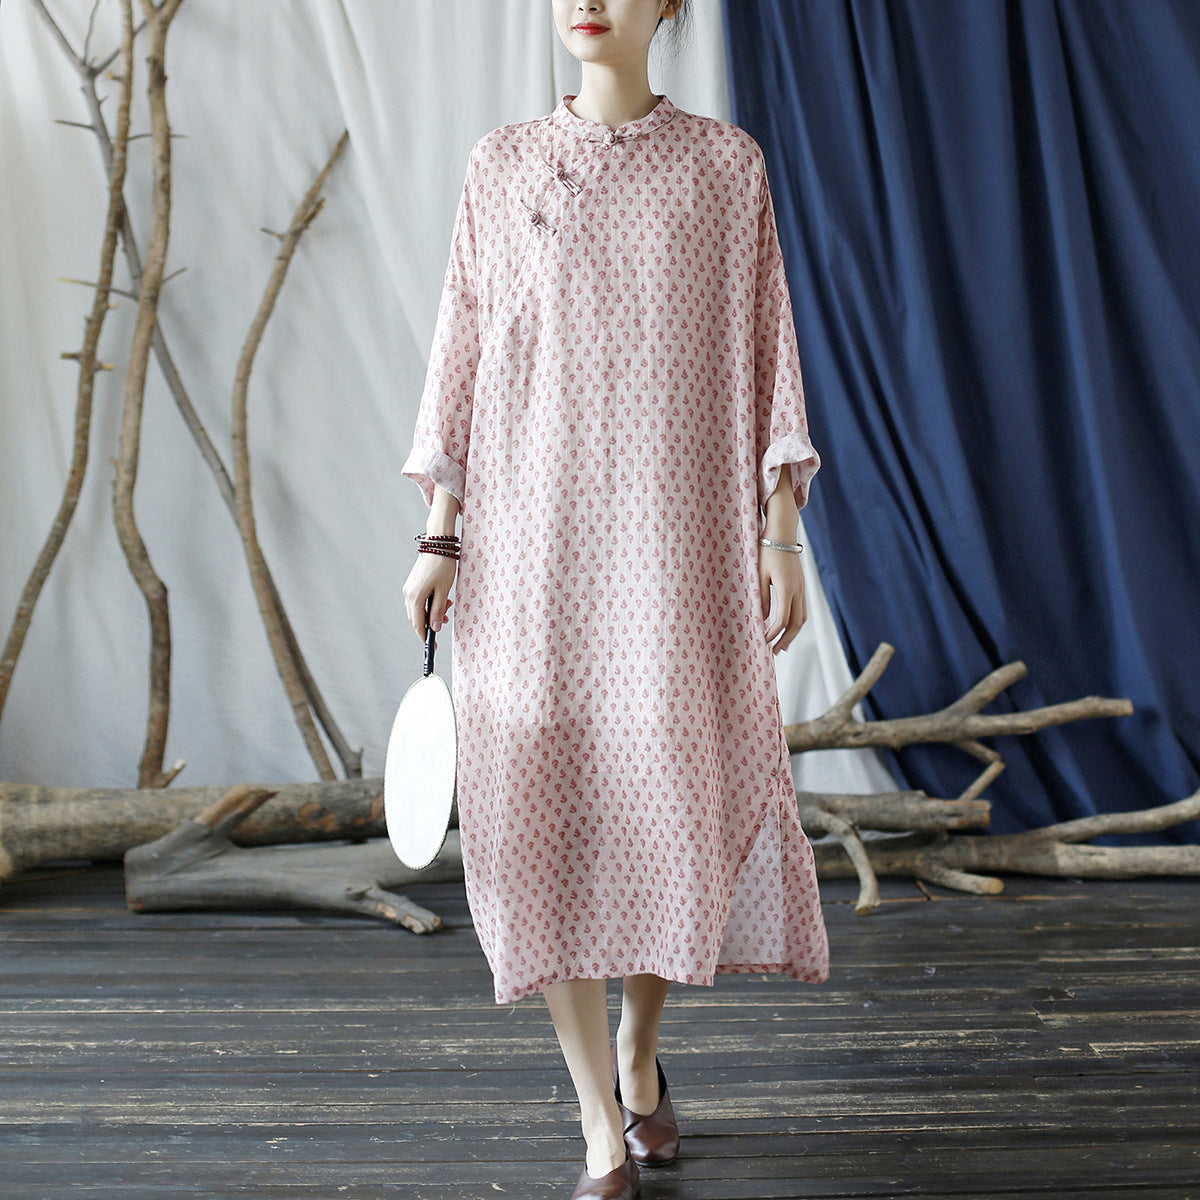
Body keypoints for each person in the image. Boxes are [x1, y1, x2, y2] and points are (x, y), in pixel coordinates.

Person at [401, 2, 830, 1196]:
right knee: (540, 815)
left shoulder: (725, 167)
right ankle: (598, 1120)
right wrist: (440, 533)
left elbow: (770, 350)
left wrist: (780, 531)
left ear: (669, 6)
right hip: (527, 556)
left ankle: (641, 1049)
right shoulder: (500, 166)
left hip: (675, 555)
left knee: (662, 804)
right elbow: (461, 350)